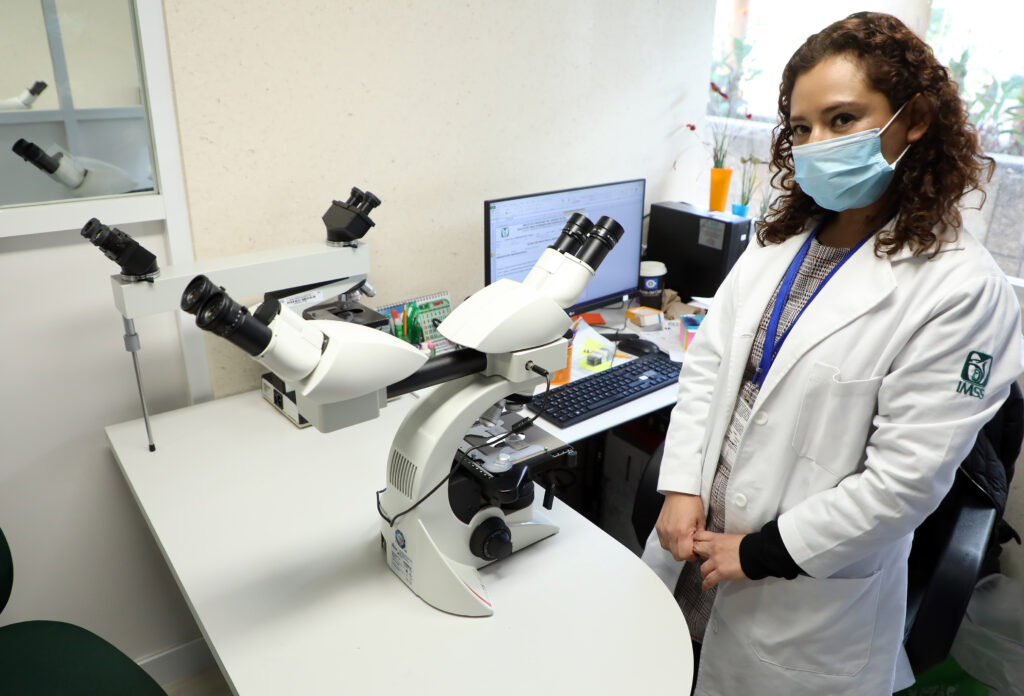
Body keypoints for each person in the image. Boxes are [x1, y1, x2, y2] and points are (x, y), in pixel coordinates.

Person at [649, 12, 1024, 696]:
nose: (816, 144)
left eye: (843, 119)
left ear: (913, 121)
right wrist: (681, 486)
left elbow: (905, 481)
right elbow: (711, 366)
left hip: (795, 588)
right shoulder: (782, 237)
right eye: (801, 127)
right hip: (693, 540)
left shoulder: (962, 289)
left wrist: (763, 552)